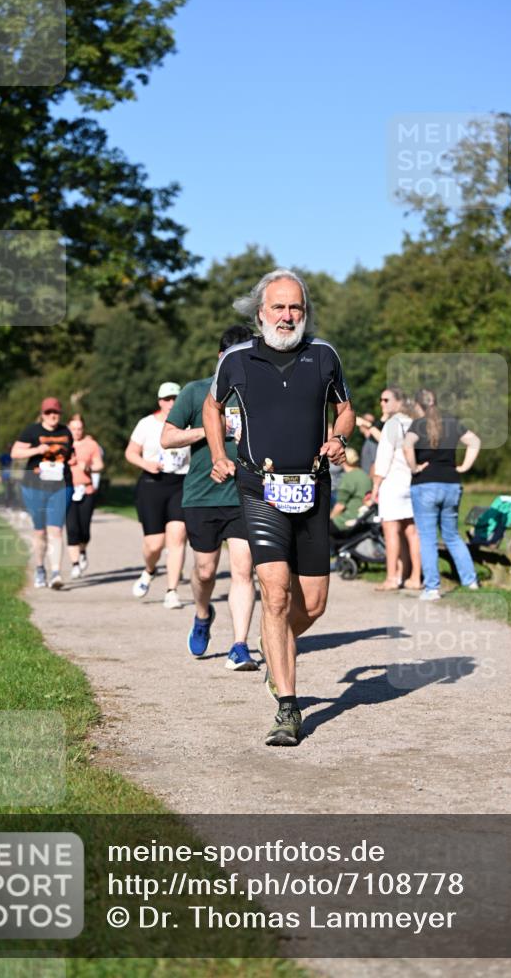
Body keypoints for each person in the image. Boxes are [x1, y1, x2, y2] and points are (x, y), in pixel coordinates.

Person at [203, 268, 354, 746]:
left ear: (304, 313)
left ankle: (275, 646)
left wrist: (338, 437)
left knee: (313, 603)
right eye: (278, 308)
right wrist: (220, 455)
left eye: (296, 308)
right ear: (260, 312)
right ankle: (288, 706)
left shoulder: (324, 356)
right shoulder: (237, 359)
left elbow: (345, 407)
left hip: (313, 489)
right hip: (259, 488)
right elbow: (212, 407)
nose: (287, 316)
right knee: (275, 593)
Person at [161, 325, 258, 671]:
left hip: (245, 494)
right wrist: (210, 428)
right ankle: (203, 614)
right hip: (202, 495)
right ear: (221, 358)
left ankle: (239, 645)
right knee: (204, 571)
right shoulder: (196, 392)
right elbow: (167, 438)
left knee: (243, 570)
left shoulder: (259, 394)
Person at [403, 388, 481, 601]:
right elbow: (475, 442)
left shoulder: (418, 424)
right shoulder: (452, 421)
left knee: (427, 538)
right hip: (451, 484)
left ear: (418, 405)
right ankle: (471, 581)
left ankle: (432, 589)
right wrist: (464, 466)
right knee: (452, 535)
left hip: (425, 484)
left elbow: (406, 445)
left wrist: (414, 468)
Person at [126, 383, 189, 609]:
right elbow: (130, 453)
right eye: (167, 399)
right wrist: (146, 463)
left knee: (178, 536)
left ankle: (171, 591)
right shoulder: (146, 424)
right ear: (160, 401)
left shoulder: (189, 423)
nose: (171, 403)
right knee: (154, 544)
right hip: (152, 484)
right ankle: (149, 570)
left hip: (180, 483)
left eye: (175, 398)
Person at [11, 397, 74, 589]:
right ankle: (40, 569)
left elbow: (70, 455)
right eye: (48, 412)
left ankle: (56, 573)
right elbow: (15, 453)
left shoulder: (66, 431)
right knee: (40, 532)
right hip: (34, 487)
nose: (52, 416)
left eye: (55, 412)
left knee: (56, 530)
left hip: (61, 487)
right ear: (42, 414)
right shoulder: (32, 431)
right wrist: (37, 449)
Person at [371, 388, 422, 592]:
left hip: (392, 482)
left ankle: (392, 577)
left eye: (386, 400)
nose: (382, 403)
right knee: (412, 532)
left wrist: (375, 485)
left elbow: (384, 458)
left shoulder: (391, 424)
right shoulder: (415, 423)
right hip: (413, 481)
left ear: (399, 402)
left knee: (391, 532)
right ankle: (414, 576)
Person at [66, 414, 104, 580]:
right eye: (73, 428)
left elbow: (99, 464)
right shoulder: (62, 444)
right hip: (67, 490)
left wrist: (88, 466)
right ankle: (75, 564)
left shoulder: (91, 444)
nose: (76, 431)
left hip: (86, 490)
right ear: (68, 429)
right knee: (72, 529)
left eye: (79, 428)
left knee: (84, 530)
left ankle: (82, 551)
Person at [330, 446, 372, 533]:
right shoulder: (364, 474)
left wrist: (329, 518)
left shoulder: (348, 478)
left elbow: (340, 506)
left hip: (348, 520)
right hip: (364, 518)